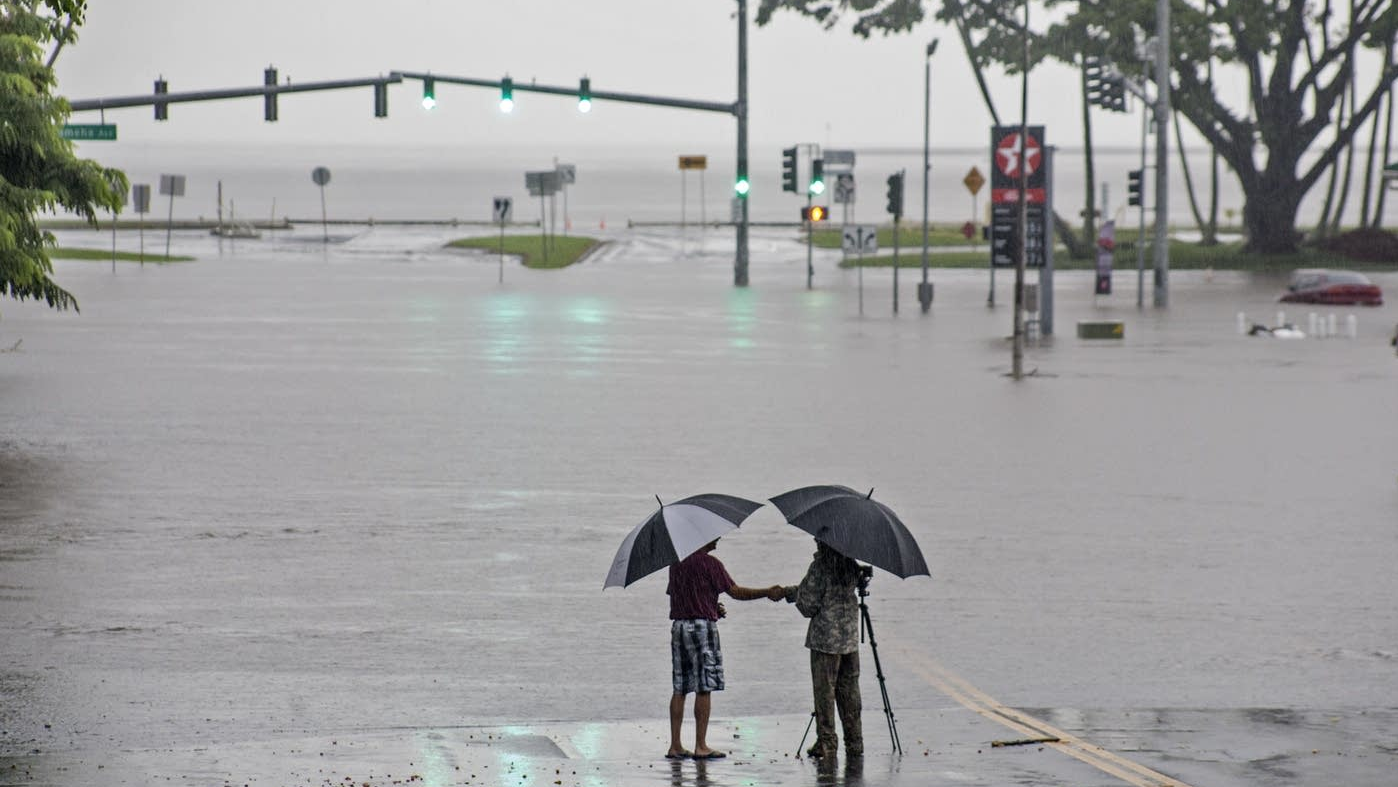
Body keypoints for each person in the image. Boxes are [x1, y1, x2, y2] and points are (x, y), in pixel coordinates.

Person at [666, 539, 784, 760]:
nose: (718, 539)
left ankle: (675, 746)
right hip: (702, 629)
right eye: (715, 536)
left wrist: (711, 605)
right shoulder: (711, 564)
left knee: (680, 687)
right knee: (704, 686)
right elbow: (736, 592)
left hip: (679, 628)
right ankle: (701, 745)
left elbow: (678, 596)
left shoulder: (676, 563)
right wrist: (767, 591)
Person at [782, 539, 864, 760]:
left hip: (825, 640)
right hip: (849, 639)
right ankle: (855, 741)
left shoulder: (821, 566)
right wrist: (792, 592)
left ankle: (827, 742)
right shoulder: (850, 564)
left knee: (824, 692)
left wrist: (791, 595)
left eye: (818, 538)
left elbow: (808, 605)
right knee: (850, 691)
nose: (814, 541)